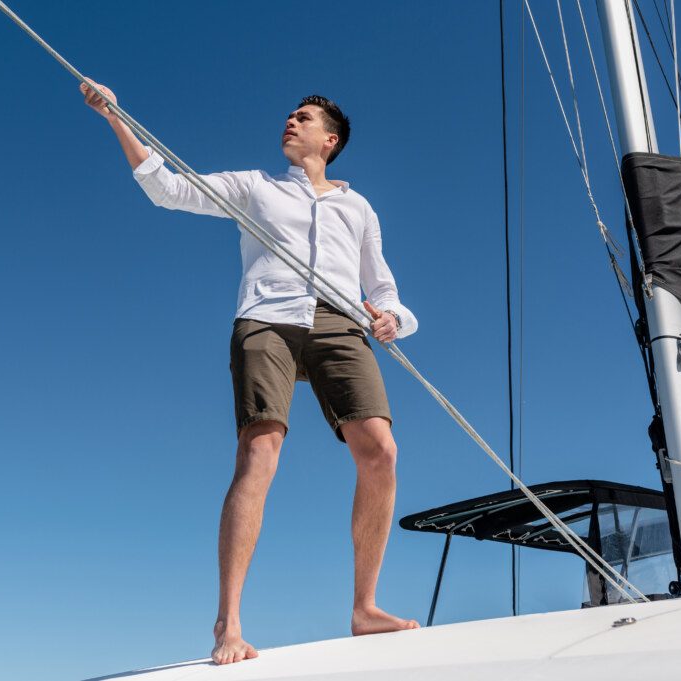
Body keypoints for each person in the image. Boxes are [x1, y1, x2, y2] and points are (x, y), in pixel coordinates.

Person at [81, 82, 420, 665]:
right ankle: (228, 623)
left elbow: (385, 288)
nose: (291, 121)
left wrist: (394, 319)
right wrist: (115, 116)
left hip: (340, 322)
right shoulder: (254, 187)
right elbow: (167, 189)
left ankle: (365, 608)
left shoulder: (357, 207)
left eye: (304, 117)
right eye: (290, 115)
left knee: (381, 451)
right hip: (267, 318)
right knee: (260, 452)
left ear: (329, 139)